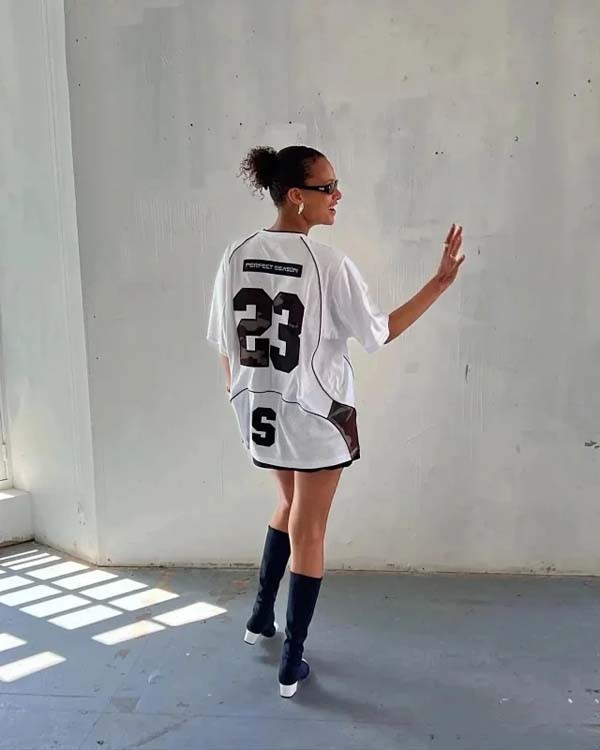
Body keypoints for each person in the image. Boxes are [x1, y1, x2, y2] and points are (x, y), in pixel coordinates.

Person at [206, 145, 465, 698]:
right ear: (295, 196)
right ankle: (291, 661)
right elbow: (378, 334)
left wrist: (240, 396)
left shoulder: (236, 253)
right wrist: (439, 284)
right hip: (317, 418)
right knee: (311, 528)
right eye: (327, 188)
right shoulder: (328, 264)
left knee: (287, 505)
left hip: (259, 414)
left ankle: (260, 619)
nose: (337, 195)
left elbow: (223, 342)